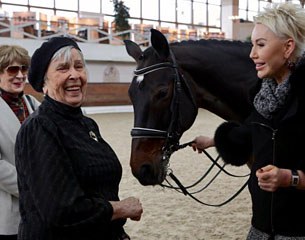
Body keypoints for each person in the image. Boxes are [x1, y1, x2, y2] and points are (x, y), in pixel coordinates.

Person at [191, 3, 305, 239]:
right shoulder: (262, 97)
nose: (252, 54)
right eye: (252, 45)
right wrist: (212, 141)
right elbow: (254, 132)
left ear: (287, 48)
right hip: (260, 228)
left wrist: (289, 178)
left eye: (260, 45)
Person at [14, 37, 143, 240]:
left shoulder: (87, 124)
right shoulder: (40, 128)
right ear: (44, 83)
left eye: (79, 66)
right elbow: (61, 210)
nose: (74, 75)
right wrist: (119, 209)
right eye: (63, 68)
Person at [0, 45, 40, 240]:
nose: (20, 75)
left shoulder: (33, 103)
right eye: (12, 70)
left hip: (40, 211)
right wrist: (33, 189)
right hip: (9, 211)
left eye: (23, 69)